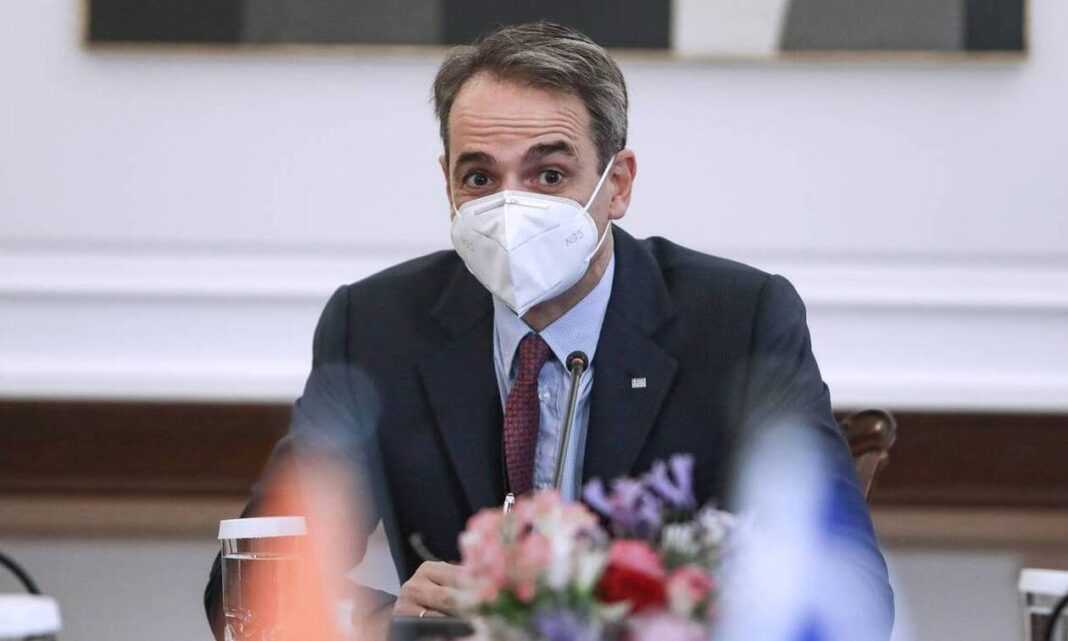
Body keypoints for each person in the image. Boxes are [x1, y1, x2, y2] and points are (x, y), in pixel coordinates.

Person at [205, 21, 893, 639]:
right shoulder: (376, 326)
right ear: (447, 184)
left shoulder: (738, 321)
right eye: (480, 177)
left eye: (550, 174)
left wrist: (648, 614)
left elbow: (847, 588)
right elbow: (252, 583)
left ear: (617, 184)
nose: (512, 206)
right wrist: (391, 625)